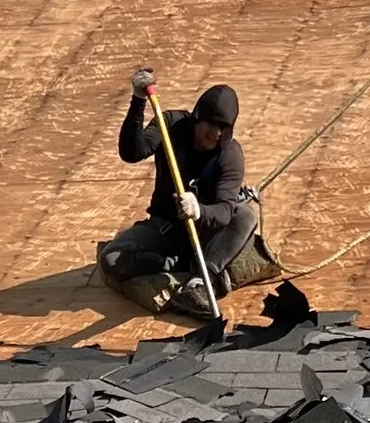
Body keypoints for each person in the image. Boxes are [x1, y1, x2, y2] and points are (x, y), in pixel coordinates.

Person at [101, 71, 258, 316]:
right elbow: (131, 152)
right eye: (211, 125)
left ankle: (200, 280)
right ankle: (175, 265)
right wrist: (138, 101)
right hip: (166, 229)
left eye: (223, 129)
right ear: (198, 118)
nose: (216, 134)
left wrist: (199, 210)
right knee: (110, 259)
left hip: (206, 232)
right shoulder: (169, 127)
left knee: (245, 216)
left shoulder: (230, 155)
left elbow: (225, 211)